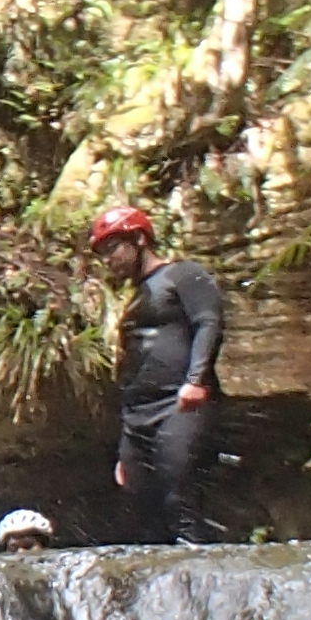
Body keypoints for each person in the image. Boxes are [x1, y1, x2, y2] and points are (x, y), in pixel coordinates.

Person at [92, 202, 222, 545]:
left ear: (138, 239)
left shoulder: (183, 274)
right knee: (137, 502)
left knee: (178, 492)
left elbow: (208, 322)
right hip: (138, 415)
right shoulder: (136, 297)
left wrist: (195, 380)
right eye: (102, 253)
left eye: (112, 249)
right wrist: (125, 442)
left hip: (179, 405)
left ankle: (200, 570)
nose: (108, 260)